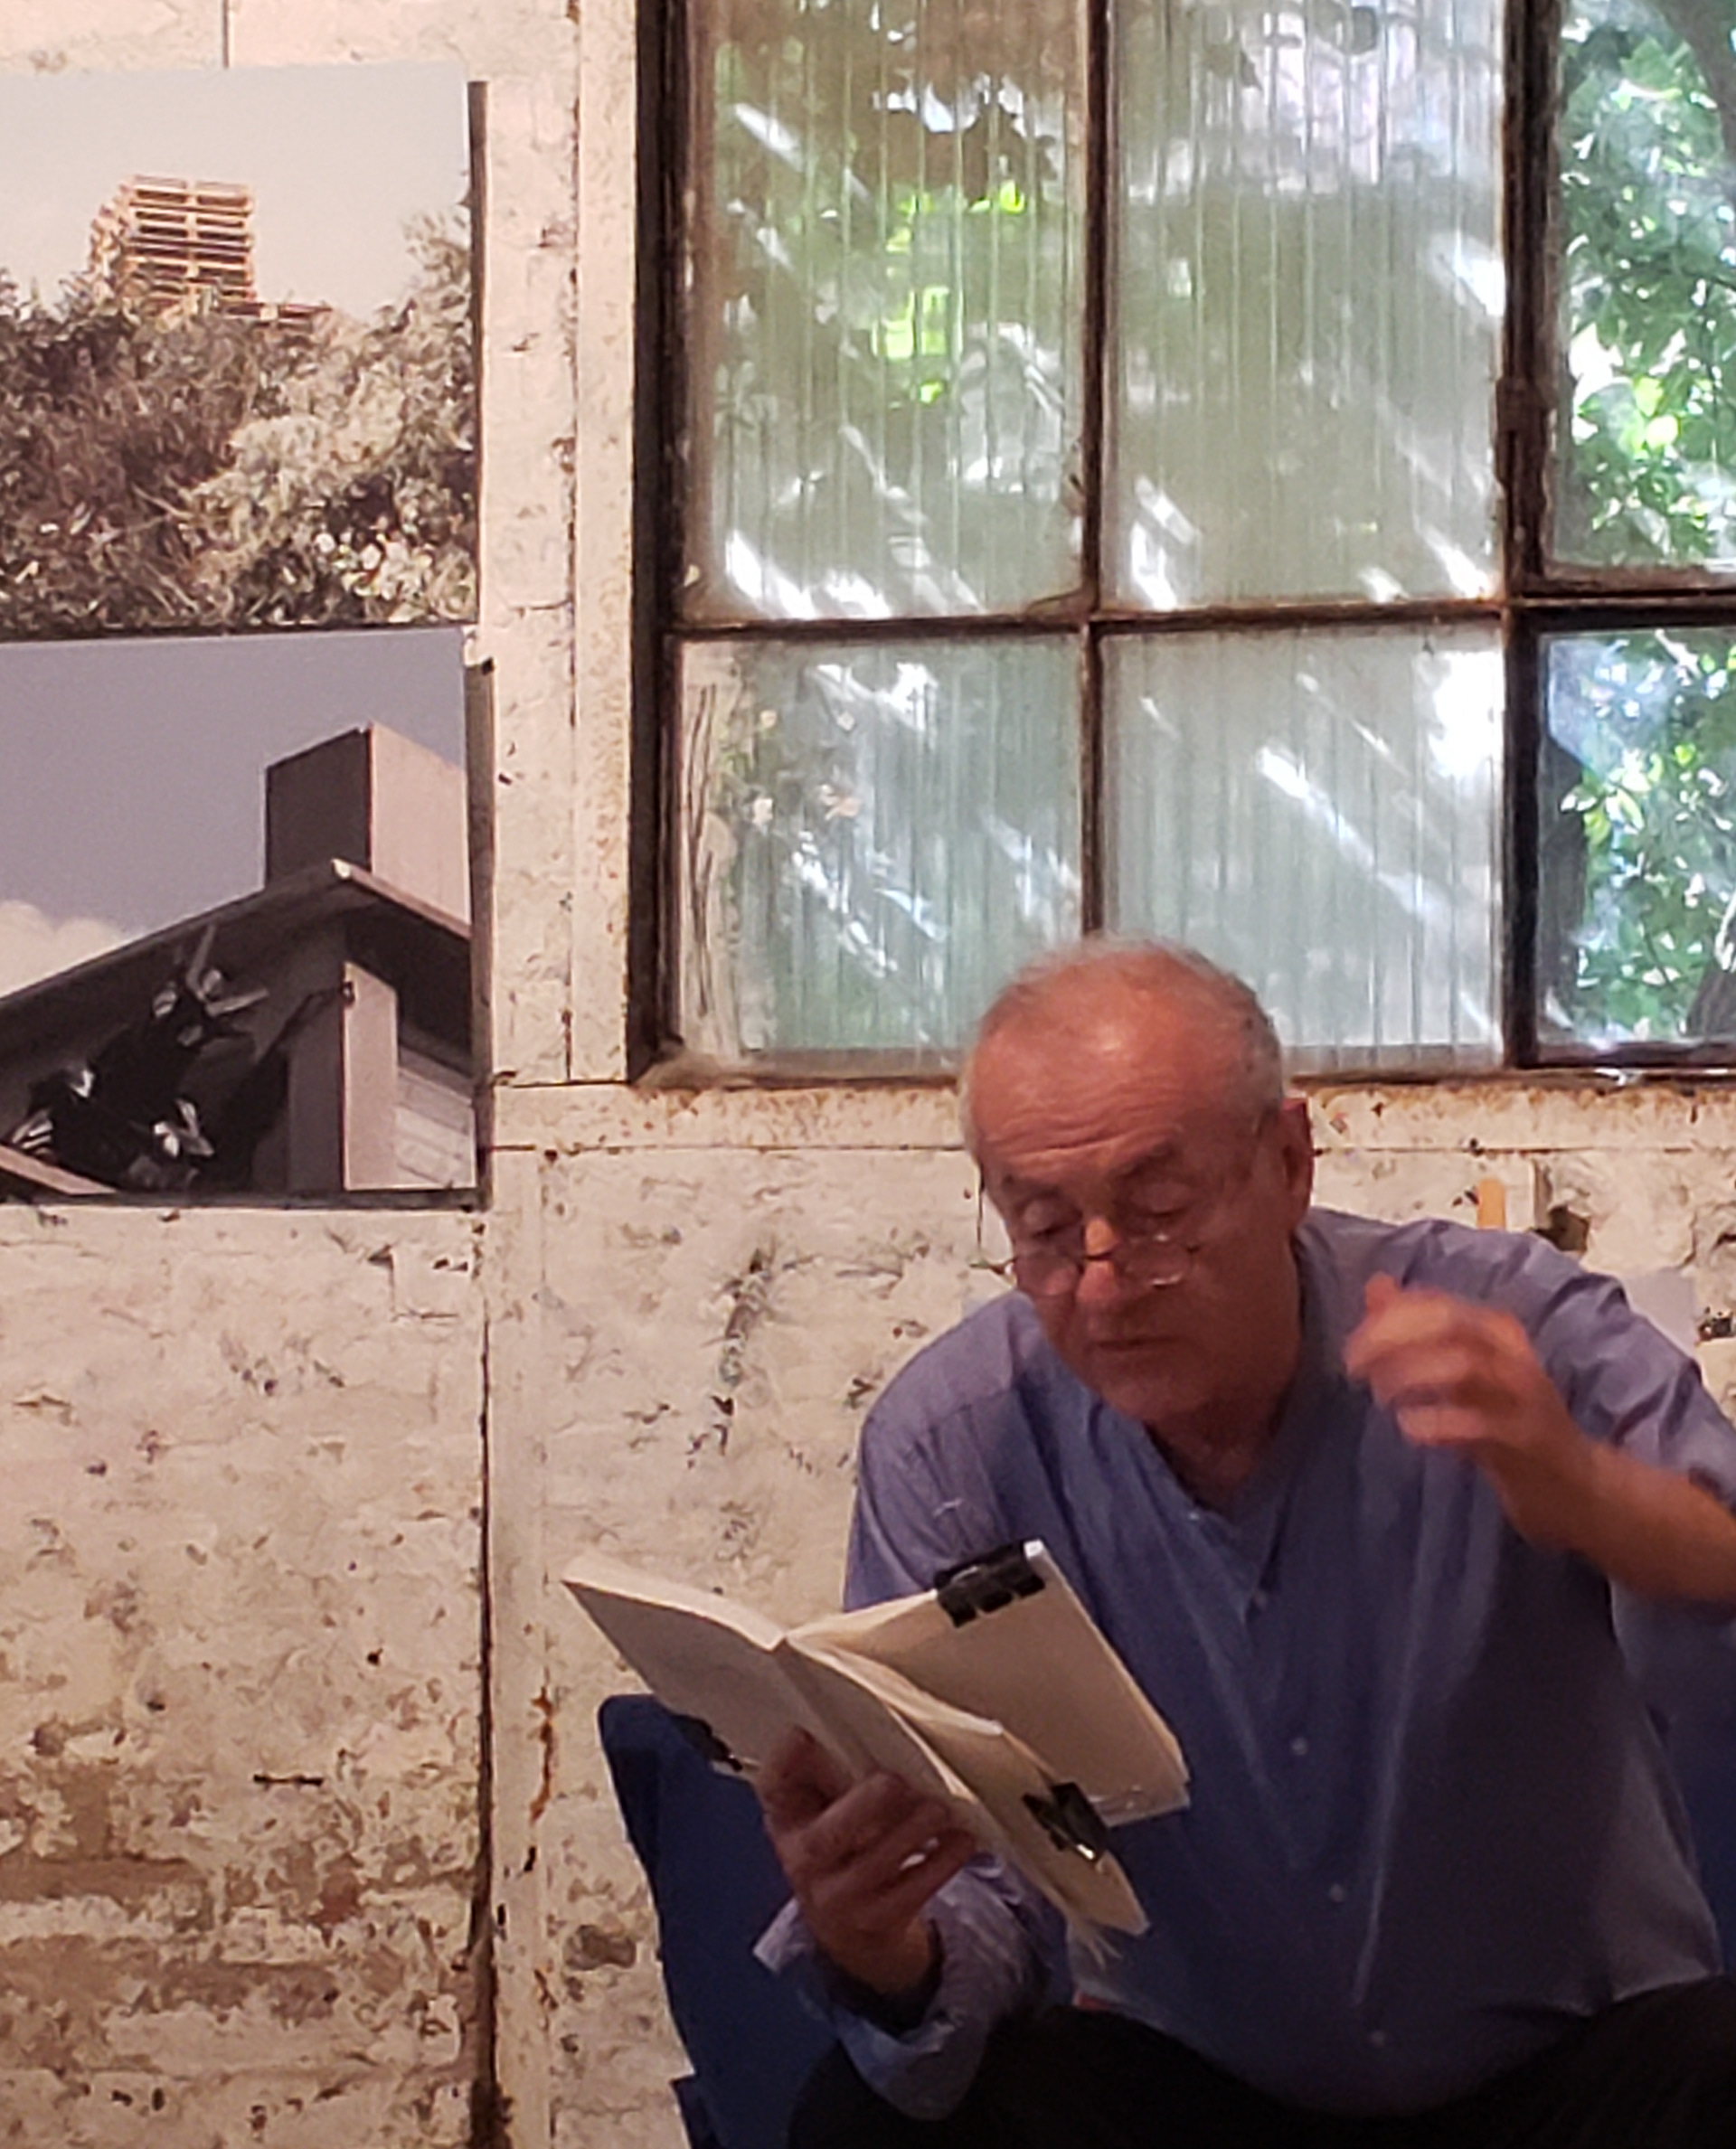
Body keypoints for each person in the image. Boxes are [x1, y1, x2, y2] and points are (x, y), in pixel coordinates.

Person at [752, 940, 1736, 2148]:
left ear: (1288, 1161)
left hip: (1571, 2068)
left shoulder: (1502, 1322)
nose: (1104, 1286)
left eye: (1158, 1215)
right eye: (1047, 1228)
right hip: (1199, 2082)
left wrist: (1585, 1490)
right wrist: (885, 1950)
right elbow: (992, 1891)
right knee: (867, 2120)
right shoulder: (956, 1444)